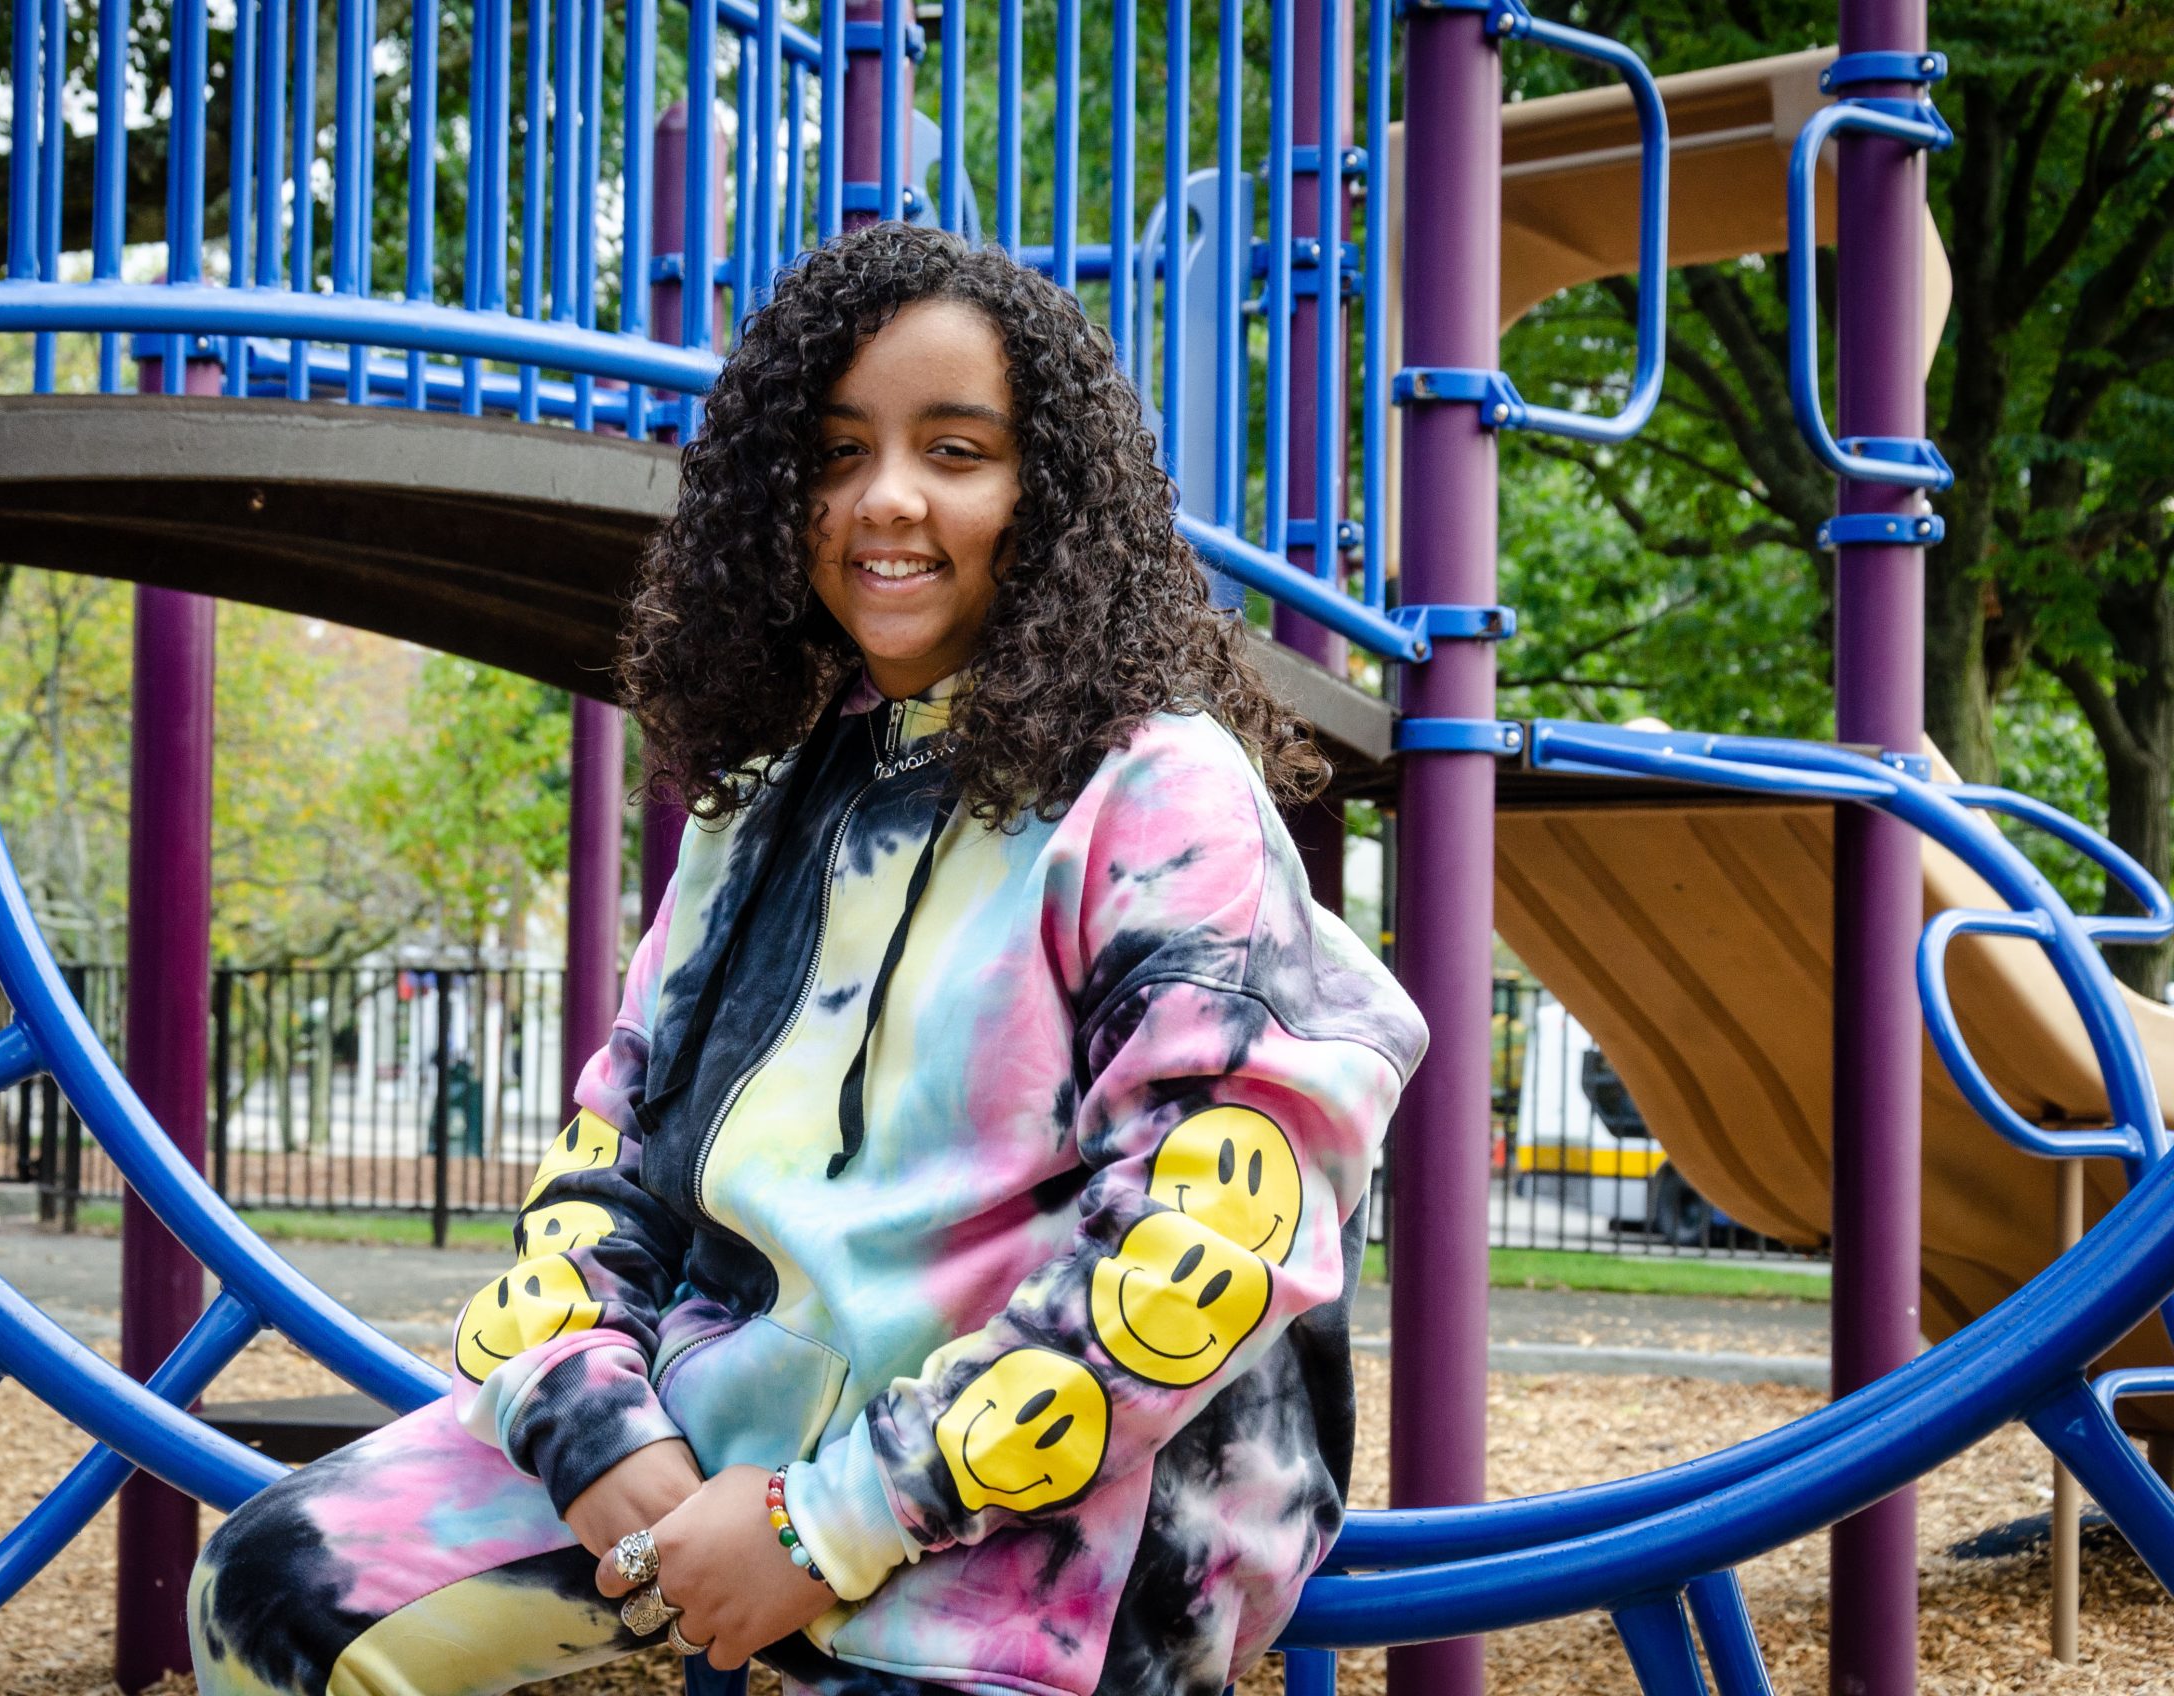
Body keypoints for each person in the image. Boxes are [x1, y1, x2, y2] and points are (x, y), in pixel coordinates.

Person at [189, 220, 1426, 1696]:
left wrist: (823, 1524)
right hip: (727, 1425)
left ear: (1048, 495)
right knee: (271, 1590)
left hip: (1047, 1501)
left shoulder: (1153, 794)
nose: (883, 501)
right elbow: (612, 1158)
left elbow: (1194, 1256)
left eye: (956, 452)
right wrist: (602, 1431)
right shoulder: (773, 797)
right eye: (834, 455)